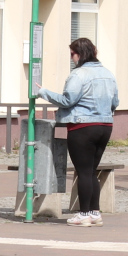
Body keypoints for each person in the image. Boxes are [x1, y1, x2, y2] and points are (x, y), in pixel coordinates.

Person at [35, 38, 118, 227]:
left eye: (72, 54)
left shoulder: (78, 75)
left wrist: (44, 92)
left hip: (81, 127)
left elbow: (67, 101)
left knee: (83, 171)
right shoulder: (108, 74)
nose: (72, 58)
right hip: (105, 126)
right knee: (91, 171)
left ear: (79, 54)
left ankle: (83, 215)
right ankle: (94, 213)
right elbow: (115, 102)